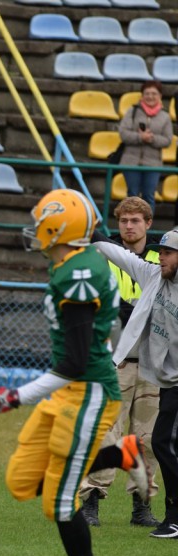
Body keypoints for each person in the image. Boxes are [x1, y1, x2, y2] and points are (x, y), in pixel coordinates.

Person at [0, 188, 148, 556]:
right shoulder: (72, 264)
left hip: (89, 390)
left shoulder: (79, 274)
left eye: (43, 223)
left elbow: (75, 362)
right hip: (71, 389)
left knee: (60, 498)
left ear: (59, 227)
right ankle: (119, 454)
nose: (37, 230)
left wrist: (16, 395)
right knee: (22, 480)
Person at [80, 197, 161, 528]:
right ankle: (91, 501)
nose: (129, 226)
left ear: (148, 223)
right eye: (124, 220)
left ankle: (141, 504)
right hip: (114, 361)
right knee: (106, 433)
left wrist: (131, 308)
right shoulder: (104, 254)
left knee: (148, 438)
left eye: (135, 220)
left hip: (155, 364)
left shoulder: (163, 256)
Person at [93, 223, 178, 539]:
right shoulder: (154, 275)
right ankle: (173, 516)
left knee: (162, 444)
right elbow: (117, 254)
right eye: (162, 251)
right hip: (167, 381)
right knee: (162, 443)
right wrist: (91, 233)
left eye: (168, 253)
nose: (161, 257)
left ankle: (173, 516)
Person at [118, 79, 173, 215]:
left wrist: (151, 138)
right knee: (132, 196)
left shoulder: (165, 117)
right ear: (142, 95)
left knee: (149, 197)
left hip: (153, 164)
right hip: (130, 162)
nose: (150, 96)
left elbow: (167, 140)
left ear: (160, 96)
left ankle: (146, 230)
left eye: (154, 93)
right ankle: (129, 227)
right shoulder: (132, 111)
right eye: (147, 93)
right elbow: (123, 133)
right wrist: (140, 137)